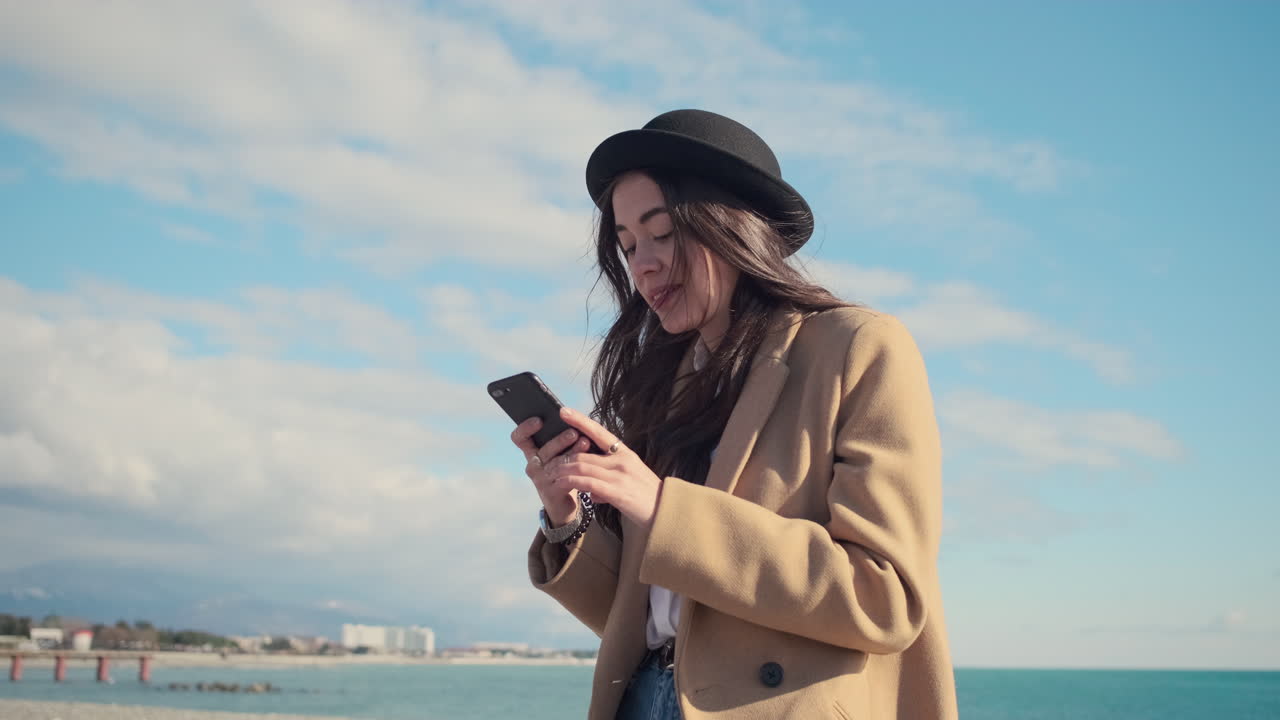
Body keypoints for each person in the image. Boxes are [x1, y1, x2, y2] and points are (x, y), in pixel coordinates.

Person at [511, 109, 957, 719]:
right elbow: (641, 616)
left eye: (661, 233)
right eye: (627, 244)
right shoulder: (669, 384)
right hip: (646, 697)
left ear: (730, 224)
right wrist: (569, 518)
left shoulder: (857, 346)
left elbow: (884, 597)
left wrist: (665, 509)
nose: (642, 264)